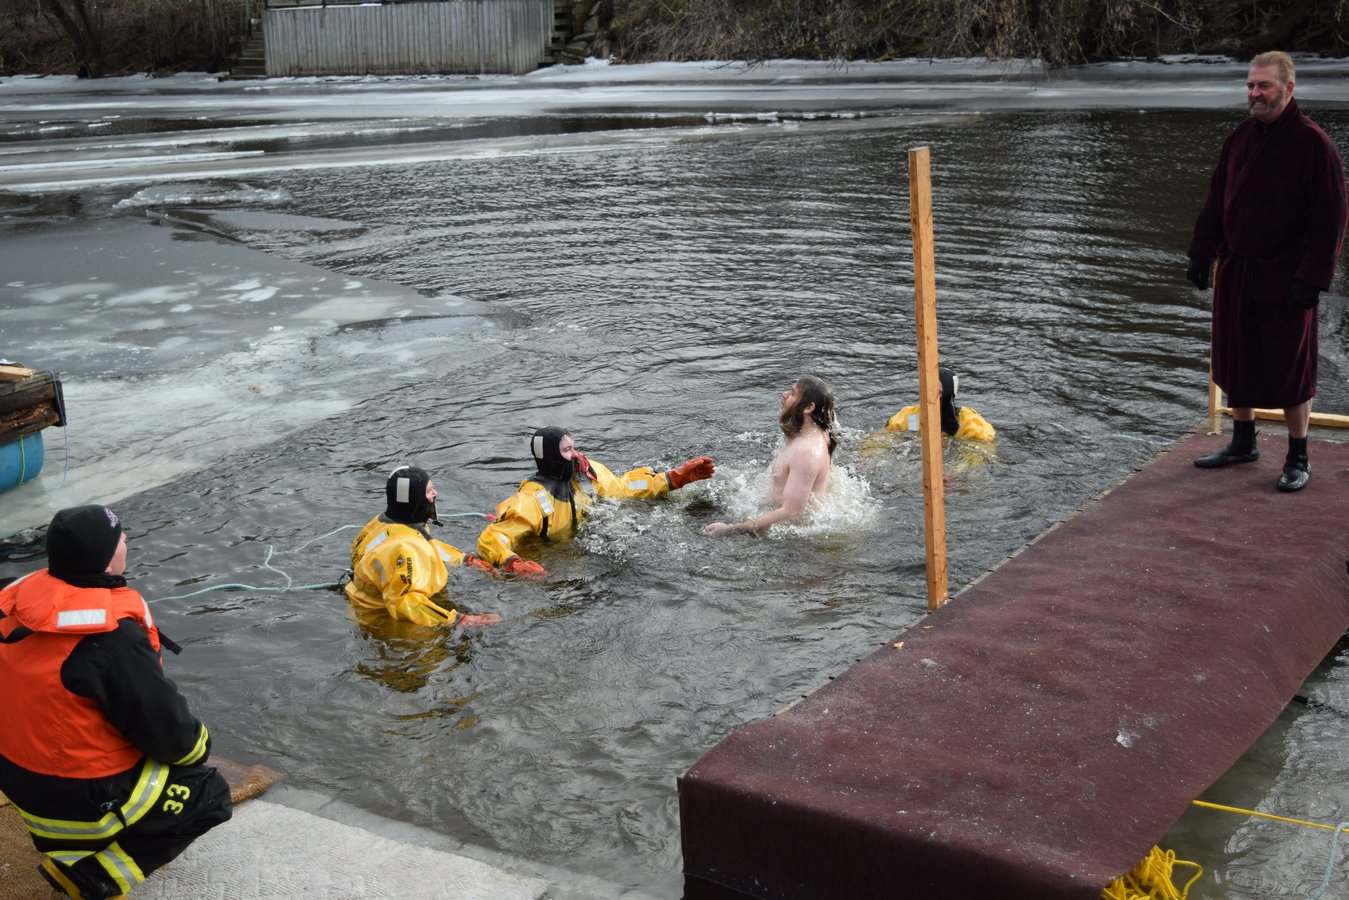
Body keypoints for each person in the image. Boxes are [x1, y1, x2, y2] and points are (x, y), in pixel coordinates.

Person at [0, 505, 232, 900]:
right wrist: (199, 745)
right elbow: (174, 739)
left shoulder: (14, 607)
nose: (126, 540)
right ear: (107, 562)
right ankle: (92, 877)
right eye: (121, 537)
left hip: (17, 780)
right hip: (74, 801)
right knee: (207, 794)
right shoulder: (113, 639)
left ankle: (83, 846)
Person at [1187, 50, 1348, 492]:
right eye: (1250, 86)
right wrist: (1201, 253)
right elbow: (1216, 198)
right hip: (1238, 270)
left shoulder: (1314, 145)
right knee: (1235, 357)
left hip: (1286, 276)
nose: (1254, 94)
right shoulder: (1241, 136)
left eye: (1264, 86)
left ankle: (1299, 456)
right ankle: (1243, 442)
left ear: (1289, 88)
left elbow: (1332, 219)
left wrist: (1312, 279)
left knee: (1291, 367)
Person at [476, 428, 715, 577]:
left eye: (573, 447)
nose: (575, 454)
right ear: (551, 456)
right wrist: (514, 563)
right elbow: (492, 538)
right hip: (551, 560)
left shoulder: (585, 474)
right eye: (567, 450)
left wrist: (673, 478)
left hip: (580, 552)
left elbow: (623, 488)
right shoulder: (532, 500)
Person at [346, 465, 500, 627]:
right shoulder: (405, 548)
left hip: (360, 602)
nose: (435, 493)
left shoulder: (382, 523)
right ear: (415, 500)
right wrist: (458, 620)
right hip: (380, 621)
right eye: (428, 491)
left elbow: (427, 545)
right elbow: (405, 601)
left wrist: (466, 560)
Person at [703, 375, 837, 536]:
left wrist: (733, 529)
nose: (784, 394)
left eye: (793, 393)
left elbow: (791, 513)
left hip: (787, 536)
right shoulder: (806, 434)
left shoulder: (807, 452)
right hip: (766, 508)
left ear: (808, 407)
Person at [886, 367, 995, 442]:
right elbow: (882, 440)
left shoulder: (970, 422)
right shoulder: (908, 415)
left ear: (948, 393)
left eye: (937, 392)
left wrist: (956, 470)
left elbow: (978, 456)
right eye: (926, 389)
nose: (929, 397)